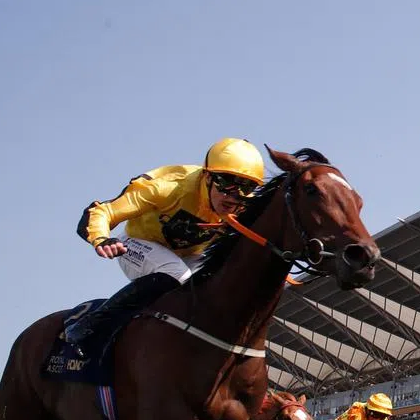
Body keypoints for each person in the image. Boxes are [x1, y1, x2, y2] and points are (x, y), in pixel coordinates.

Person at [64, 138, 267, 355]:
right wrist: (102, 238)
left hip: (187, 256)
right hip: (137, 244)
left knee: (218, 284)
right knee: (178, 274)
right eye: (227, 181)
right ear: (207, 176)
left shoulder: (245, 205)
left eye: (247, 186)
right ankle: (93, 325)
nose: (234, 195)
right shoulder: (169, 188)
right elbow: (102, 211)